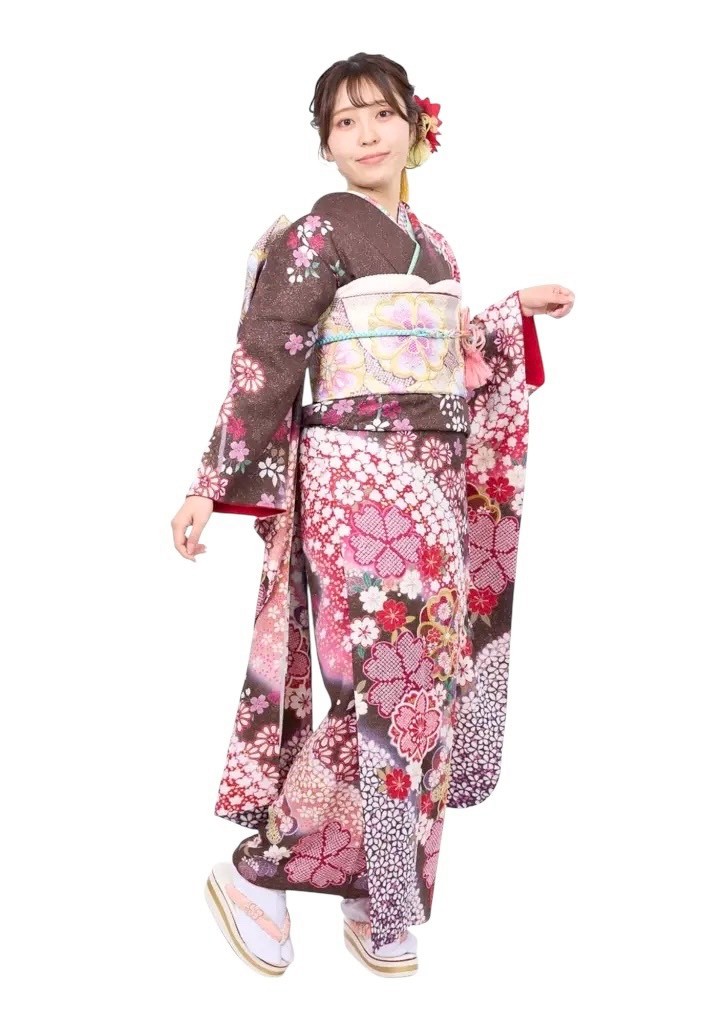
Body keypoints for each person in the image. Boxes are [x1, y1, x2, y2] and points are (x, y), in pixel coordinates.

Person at [171, 52, 575, 978]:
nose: (364, 134)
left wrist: (506, 312)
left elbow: (455, 359)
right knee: (383, 682)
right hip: (356, 480)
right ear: (325, 142)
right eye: (344, 121)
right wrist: (208, 482)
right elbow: (267, 357)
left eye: (381, 115)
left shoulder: (435, 245)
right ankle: (260, 870)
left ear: (415, 128)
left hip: (432, 483)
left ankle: (377, 890)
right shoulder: (316, 234)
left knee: (431, 681)